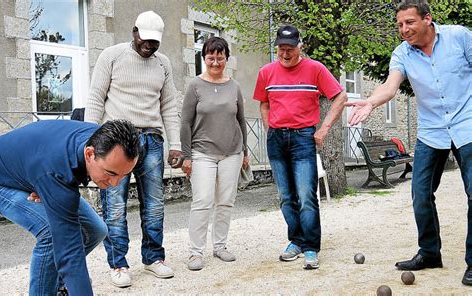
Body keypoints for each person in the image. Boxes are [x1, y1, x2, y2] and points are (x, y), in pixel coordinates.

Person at [345, 0, 472, 285]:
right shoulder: (402, 53)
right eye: (400, 25)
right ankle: (429, 253)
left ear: (428, 19)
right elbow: (390, 85)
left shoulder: (460, 37)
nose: (404, 29)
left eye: (409, 22)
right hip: (431, 131)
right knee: (420, 194)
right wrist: (372, 103)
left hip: (468, 125)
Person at [84, 10, 183, 287]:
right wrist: (88, 140)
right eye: (145, 40)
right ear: (134, 32)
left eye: (155, 42)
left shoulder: (163, 64)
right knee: (114, 206)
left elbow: (169, 106)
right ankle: (118, 263)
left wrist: (175, 144)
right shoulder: (112, 56)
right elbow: (95, 98)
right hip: (116, 141)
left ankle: (153, 258)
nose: (149, 46)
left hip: (151, 140)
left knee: (154, 205)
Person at [0, 119, 139, 295]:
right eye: (110, 173)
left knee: (96, 230)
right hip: (3, 182)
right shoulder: (56, 171)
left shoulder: (105, 140)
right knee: (51, 233)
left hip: (37, 168)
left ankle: (57, 284)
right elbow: (69, 252)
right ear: (89, 154)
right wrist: (46, 184)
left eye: (124, 175)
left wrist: (44, 184)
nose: (115, 183)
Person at [253, 25, 347, 270]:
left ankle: (311, 248)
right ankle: (295, 240)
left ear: (300, 47)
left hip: (304, 137)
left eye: (290, 49)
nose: (285, 54)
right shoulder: (266, 72)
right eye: (281, 49)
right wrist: (269, 127)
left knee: (306, 196)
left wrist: (324, 129)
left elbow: (340, 97)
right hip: (276, 138)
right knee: (286, 197)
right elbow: (264, 103)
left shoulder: (315, 69)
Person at [180, 36, 249, 271]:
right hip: (202, 153)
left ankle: (220, 246)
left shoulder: (235, 86)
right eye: (211, 57)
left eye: (220, 57)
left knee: (226, 202)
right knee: (203, 201)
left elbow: (241, 120)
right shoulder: (195, 86)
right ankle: (195, 252)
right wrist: (186, 156)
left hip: (232, 152)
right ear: (204, 58)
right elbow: (185, 123)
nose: (216, 62)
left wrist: (245, 152)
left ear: (226, 59)